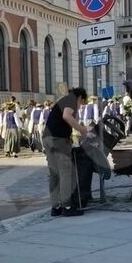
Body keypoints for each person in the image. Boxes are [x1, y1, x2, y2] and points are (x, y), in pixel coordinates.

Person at [42, 86, 88, 217]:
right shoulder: (71, 100)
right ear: (80, 98)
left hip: (47, 138)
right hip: (59, 140)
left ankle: (55, 207)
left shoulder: (62, 100)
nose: (80, 106)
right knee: (66, 172)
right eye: (82, 103)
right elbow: (67, 116)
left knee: (54, 173)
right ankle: (67, 206)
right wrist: (82, 129)